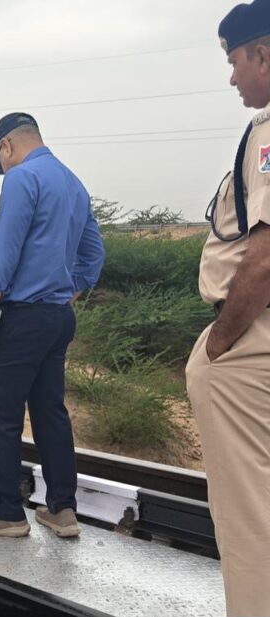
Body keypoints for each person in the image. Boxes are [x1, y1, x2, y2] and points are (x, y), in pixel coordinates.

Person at [0, 114, 104, 539]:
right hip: (58, 319)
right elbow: (93, 254)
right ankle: (62, 509)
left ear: (6, 147)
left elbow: (4, 253)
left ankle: (8, 512)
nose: (4, 168)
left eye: (1, 160)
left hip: (23, 316)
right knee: (50, 411)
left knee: (1, 412)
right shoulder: (73, 183)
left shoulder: (22, 178)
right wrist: (68, 292)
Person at [185, 2, 270, 614]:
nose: (232, 76)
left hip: (251, 342)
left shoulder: (268, 133)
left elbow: (263, 260)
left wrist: (219, 342)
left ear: (262, 54)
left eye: (235, 59)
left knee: (249, 519)